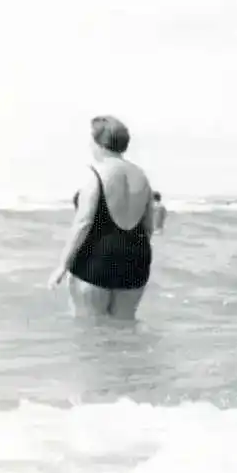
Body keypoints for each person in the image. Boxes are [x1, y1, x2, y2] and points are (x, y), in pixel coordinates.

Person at [48, 116, 156, 320]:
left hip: (97, 259)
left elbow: (83, 223)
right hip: (135, 260)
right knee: (125, 328)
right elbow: (149, 226)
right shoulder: (142, 177)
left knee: (89, 330)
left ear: (97, 142)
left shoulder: (96, 174)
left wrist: (63, 265)